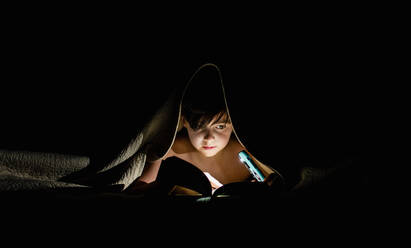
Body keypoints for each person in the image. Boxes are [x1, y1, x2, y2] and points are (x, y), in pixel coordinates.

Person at [125, 64, 277, 194]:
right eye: (199, 126)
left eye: (220, 127)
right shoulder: (169, 150)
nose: (209, 138)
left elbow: (277, 181)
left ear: (233, 124)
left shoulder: (245, 152)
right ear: (184, 122)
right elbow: (138, 189)